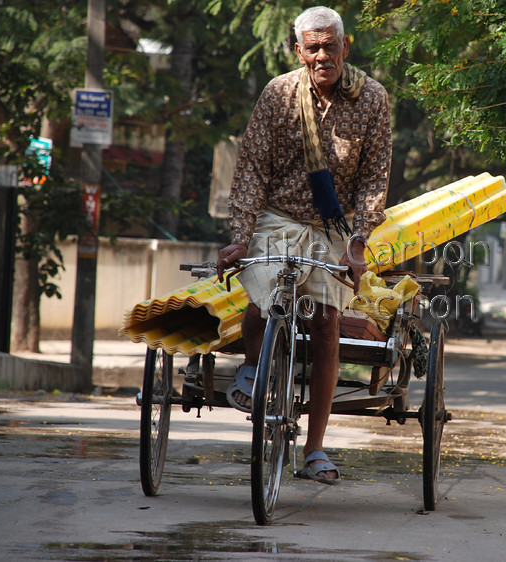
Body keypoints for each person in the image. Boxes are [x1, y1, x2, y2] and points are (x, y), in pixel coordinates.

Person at [215, 6, 392, 485]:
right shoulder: (278, 94)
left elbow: (375, 179)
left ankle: (315, 447)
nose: (320, 56)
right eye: (311, 47)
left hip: (334, 227)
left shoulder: (372, 99)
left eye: (329, 46)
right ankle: (253, 368)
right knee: (266, 294)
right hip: (278, 216)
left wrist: (358, 244)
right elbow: (251, 168)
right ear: (298, 50)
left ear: (344, 47)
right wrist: (239, 236)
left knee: (327, 322)